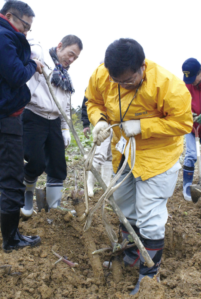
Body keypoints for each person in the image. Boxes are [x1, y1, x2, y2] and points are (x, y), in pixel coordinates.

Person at [85, 38, 192, 294]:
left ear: (142, 67)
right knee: (123, 206)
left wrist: (144, 127)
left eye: (128, 81)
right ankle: (132, 256)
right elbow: (93, 101)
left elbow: (182, 124)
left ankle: (149, 275)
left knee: (149, 217)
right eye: (117, 82)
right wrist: (99, 121)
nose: (122, 86)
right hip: (122, 155)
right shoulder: (102, 74)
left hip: (157, 157)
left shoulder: (169, 86)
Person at [0, 0, 44, 251]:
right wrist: (32, 64)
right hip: (2, 119)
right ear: (10, 16)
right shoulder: (3, 38)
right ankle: (11, 240)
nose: (26, 33)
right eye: (25, 27)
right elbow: (17, 76)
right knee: (13, 181)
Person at [21, 35, 83, 218]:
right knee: (35, 162)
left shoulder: (65, 76)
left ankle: (54, 206)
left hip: (54, 121)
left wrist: (65, 128)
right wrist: (32, 55)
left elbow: (64, 105)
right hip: (34, 116)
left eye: (75, 58)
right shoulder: (41, 60)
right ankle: (27, 196)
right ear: (60, 46)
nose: (71, 59)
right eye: (70, 54)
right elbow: (28, 48)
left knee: (58, 165)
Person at [81, 95, 113, 197]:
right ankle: (89, 185)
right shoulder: (99, 81)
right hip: (103, 121)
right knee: (99, 155)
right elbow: (88, 101)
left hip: (117, 122)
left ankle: (106, 186)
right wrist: (86, 123)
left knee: (110, 156)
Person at [182, 58, 201, 201]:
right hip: (190, 126)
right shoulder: (186, 85)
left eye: (194, 77)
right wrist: (188, 113)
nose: (191, 81)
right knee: (191, 154)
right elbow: (181, 103)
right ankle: (187, 184)